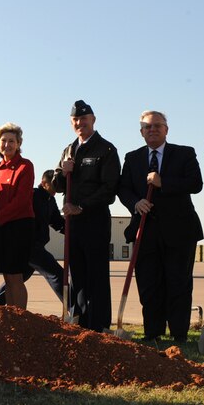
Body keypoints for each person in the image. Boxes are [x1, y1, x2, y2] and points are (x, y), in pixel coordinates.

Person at [118, 111, 203, 344]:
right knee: (148, 283)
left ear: (167, 129)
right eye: (147, 127)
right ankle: (153, 333)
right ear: (141, 132)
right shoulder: (132, 158)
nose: (152, 129)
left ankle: (179, 334)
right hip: (145, 230)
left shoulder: (184, 153)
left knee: (178, 282)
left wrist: (162, 182)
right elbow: (123, 188)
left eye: (157, 126)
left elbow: (196, 183)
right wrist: (135, 202)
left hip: (180, 230)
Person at [52, 100, 120, 331]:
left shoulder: (106, 149)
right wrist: (63, 172)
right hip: (73, 224)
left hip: (95, 220)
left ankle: (99, 325)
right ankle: (80, 321)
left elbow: (109, 189)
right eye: (75, 120)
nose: (80, 123)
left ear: (93, 119)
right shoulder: (68, 150)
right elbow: (56, 184)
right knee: (76, 274)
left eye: (84, 119)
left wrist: (81, 206)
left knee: (97, 275)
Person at [0, 170, 65, 305]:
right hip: (28, 244)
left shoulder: (50, 200)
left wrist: (73, 229)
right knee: (57, 274)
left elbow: (57, 222)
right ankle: (74, 311)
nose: (56, 189)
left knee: (16, 280)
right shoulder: (31, 195)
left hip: (37, 245)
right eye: (54, 184)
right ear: (44, 183)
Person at [0, 123, 35, 308]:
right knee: (7, 275)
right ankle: (10, 315)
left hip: (19, 225)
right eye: (4, 141)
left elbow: (22, 200)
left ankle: (20, 318)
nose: (7, 145)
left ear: (18, 143)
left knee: (15, 276)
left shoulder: (25, 166)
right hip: (2, 226)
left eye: (12, 141)